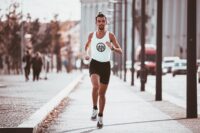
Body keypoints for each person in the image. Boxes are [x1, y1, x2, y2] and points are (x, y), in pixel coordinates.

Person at [84, 12, 122, 128]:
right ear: (96, 22)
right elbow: (87, 46)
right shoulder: (91, 35)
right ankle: (94, 108)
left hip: (106, 66)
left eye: (103, 21)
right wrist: (86, 54)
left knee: (102, 93)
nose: (101, 23)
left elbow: (120, 51)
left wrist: (112, 48)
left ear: (106, 22)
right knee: (95, 86)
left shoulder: (110, 36)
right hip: (94, 63)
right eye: (99, 21)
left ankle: (100, 116)